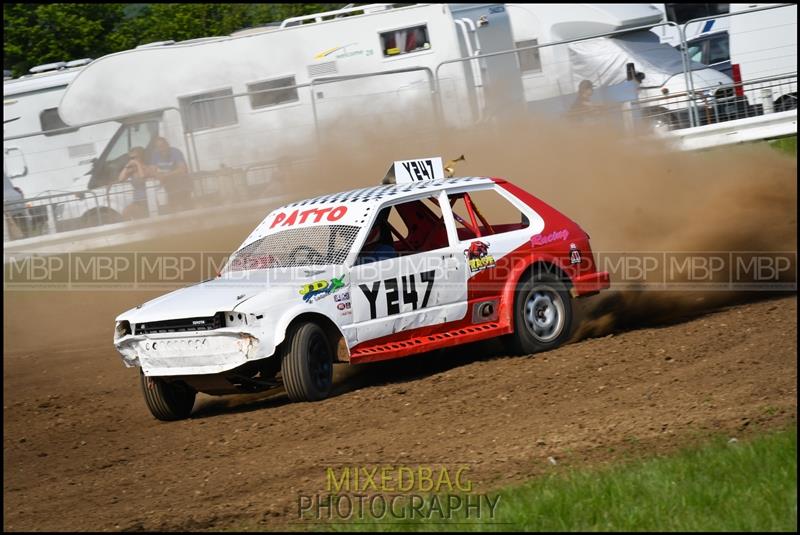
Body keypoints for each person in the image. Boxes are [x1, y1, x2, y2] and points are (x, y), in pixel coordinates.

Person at [148, 136, 191, 212]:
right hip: (169, 186)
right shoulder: (155, 154)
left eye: (163, 145)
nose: (161, 148)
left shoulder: (175, 152)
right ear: (156, 148)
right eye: (158, 147)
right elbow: (151, 171)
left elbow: (183, 169)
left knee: (186, 207)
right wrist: (158, 175)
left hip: (182, 184)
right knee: (173, 208)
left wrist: (166, 175)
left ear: (167, 145)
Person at [116, 146, 151, 219]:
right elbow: (120, 179)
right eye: (131, 158)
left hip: (147, 199)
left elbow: (142, 178)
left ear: (141, 157)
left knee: (130, 213)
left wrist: (138, 164)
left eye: (134, 157)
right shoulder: (132, 171)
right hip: (137, 200)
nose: (132, 160)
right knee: (125, 213)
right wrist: (126, 166)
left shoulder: (147, 168)